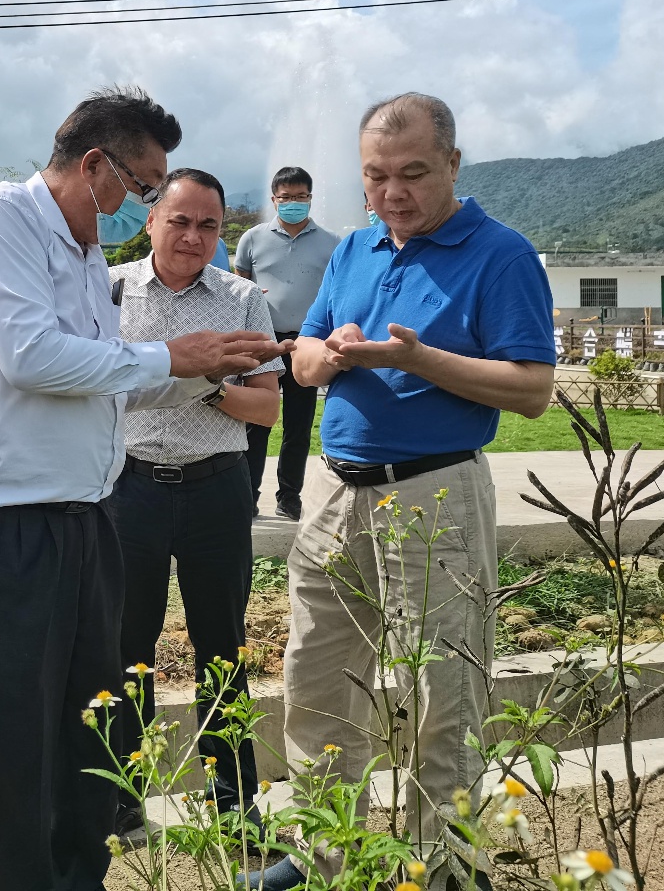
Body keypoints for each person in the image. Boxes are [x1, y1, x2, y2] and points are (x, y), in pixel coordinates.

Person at [0, 86, 291, 890]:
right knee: (17, 738)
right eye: (150, 189)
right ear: (96, 166)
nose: (154, 207)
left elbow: (106, 385)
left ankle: (79, 871)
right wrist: (175, 360)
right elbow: (33, 358)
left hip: (83, 519)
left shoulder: (87, 254)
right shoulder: (1, 221)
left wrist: (204, 372)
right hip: (4, 519)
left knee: (89, 725)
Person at [255, 94, 555, 891]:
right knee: (316, 678)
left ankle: (444, 867)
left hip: (435, 495)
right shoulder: (353, 249)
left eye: (413, 174)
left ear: (453, 165)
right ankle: (322, 850)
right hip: (333, 491)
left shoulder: (501, 254)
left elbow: (530, 389)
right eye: (376, 177)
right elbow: (306, 349)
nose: (393, 193)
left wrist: (419, 361)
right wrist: (324, 359)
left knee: (444, 692)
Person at [107, 169, 284, 836]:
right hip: (130, 487)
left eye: (208, 225)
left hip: (216, 486)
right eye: (179, 220)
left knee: (222, 645)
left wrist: (204, 386)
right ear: (151, 221)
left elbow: (265, 407)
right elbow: (86, 383)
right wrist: (164, 371)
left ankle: (232, 800)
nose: (193, 235)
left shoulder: (241, 299)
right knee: (127, 646)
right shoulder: (110, 289)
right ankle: (123, 797)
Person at [234, 166, 339, 521]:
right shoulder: (252, 238)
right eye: (286, 197)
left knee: (298, 421)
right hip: (263, 340)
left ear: (310, 198)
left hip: (307, 341)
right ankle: (247, 495)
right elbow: (240, 286)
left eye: (300, 197)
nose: (293, 203)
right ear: (274, 199)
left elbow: (335, 294)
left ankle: (289, 496)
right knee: (257, 419)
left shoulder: (330, 243)